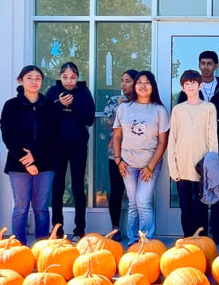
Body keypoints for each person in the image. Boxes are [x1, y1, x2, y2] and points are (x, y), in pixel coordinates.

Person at [177, 51, 219, 244]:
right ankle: (198, 235)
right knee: (195, 191)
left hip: (217, 145)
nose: (206, 67)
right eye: (203, 63)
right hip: (194, 146)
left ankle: (217, 233)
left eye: (210, 63)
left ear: (216, 66)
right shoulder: (191, 87)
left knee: (217, 187)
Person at [0, 65, 58, 245]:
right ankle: (19, 247)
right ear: (21, 80)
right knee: (21, 207)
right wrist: (26, 160)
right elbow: (8, 135)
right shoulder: (11, 106)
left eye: (38, 78)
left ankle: (42, 247)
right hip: (18, 165)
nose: (34, 82)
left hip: (45, 164)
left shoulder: (49, 106)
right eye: (29, 78)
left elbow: (54, 136)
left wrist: (36, 157)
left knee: (41, 207)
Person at [111, 70, 169, 243]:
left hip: (149, 164)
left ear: (153, 86)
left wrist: (150, 166)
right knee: (133, 204)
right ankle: (133, 241)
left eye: (147, 83)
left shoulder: (159, 110)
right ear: (134, 86)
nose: (143, 86)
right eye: (139, 82)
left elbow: (162, 142)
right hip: (127, 163)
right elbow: (117, 136)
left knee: (143, 202)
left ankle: (146, 242)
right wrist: (118, 159)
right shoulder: (124, 108)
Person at [44, 62, 95, 239]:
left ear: (78, 77)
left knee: (78, 186)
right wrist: (58, 104)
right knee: (57, 186)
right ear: (60, 76)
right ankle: (57, 229)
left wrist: (73, 105)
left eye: (73, 77)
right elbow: (44, 117)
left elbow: (90, 119)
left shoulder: (83, 92)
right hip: (56, 146)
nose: (69, 81)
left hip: (78, 146)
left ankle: (79, 229)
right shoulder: (52, 91)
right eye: (65, 77)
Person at [168, 69, 219, 237]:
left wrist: (212, 165)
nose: (190, 86)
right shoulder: (178, 110)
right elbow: (172, 139)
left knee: (201, 205)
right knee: (185, 204)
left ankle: (202, 240)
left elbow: (212, 138)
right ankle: (188, 239)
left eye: (193, 83)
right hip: (182, 165)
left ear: (200, 85)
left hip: (202, 165)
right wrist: (172, 167)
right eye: (186, 84)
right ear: (182, 87)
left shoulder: (209, 108)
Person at [101, 69, 136, 240]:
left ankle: (136, 229)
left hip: (137, 154)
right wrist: (118, 109)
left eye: (128, 80)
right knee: (116, 190)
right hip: (116, 153)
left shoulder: (142, 101)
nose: (123, 84)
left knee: (136, 193)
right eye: (122, 80)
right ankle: (115, 228)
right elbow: (104, 124)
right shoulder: (115, 100)